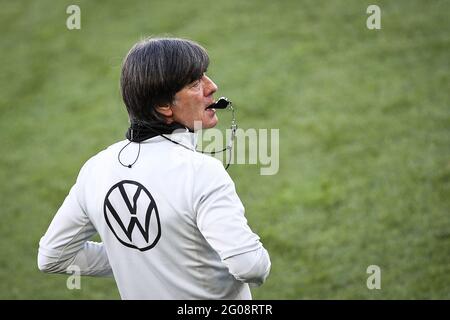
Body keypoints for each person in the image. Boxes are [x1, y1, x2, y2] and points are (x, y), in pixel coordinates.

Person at [37, 37, 271, 299]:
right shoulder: (202, 172)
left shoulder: (96, 168)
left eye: (205, 76)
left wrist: (141, 259)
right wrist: (178, 261)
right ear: (163, 106)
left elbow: (52, 256)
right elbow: (250, 266)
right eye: (195, 83)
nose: (212, 86)